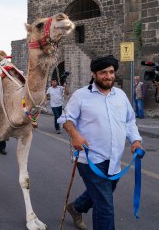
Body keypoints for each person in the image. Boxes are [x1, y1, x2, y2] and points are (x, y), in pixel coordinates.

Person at [58, 55, 143, 230]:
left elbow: (129, 121)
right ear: (94, 74)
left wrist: (135, 141)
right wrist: (74, 135)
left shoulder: (120, 95)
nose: (108, 76)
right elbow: (66, 118)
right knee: (105, 205)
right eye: (103, 72)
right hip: (89, 159)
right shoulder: (81, 95)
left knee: (102, 193)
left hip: (114, 158)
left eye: (111, 72)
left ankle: (76, 208)